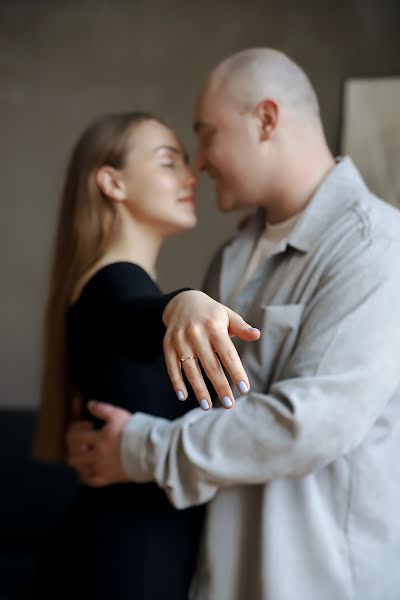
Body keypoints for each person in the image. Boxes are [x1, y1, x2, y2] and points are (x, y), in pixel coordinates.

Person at [67, 48, 400, 600]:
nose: (198, 162)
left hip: (318, 583)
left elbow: (310, 426)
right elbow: (201, 402)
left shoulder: (376, 247)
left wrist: (137, 450)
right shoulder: (230, 257)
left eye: (206, 135)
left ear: (266, 120)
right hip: (215, 577)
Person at [32, 111, 259, 600]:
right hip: (127, 565)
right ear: (111, 182)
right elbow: (133, 313)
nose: (189, 175)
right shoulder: (113, 283)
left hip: (122, 553)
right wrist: (183, 303)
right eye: (167, 162)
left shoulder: (103, 282)